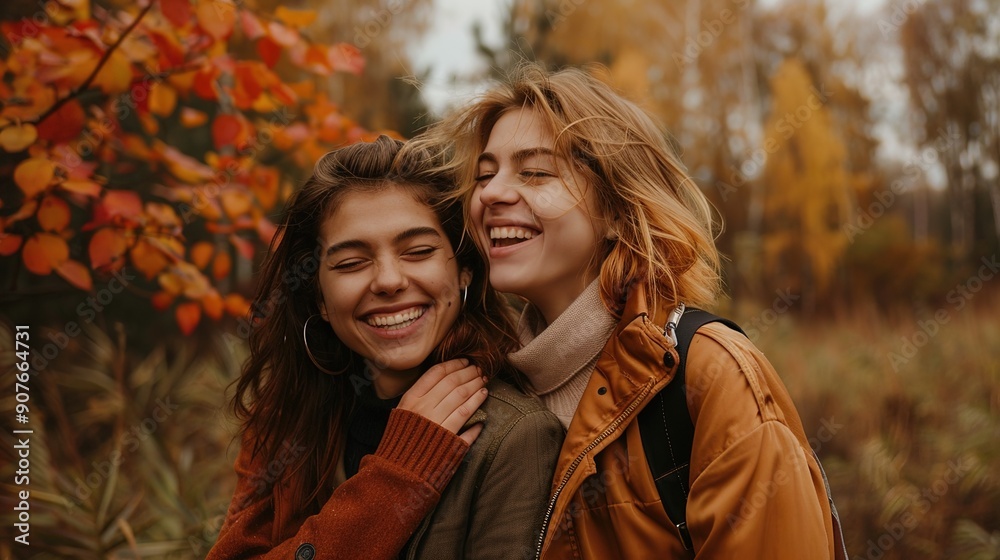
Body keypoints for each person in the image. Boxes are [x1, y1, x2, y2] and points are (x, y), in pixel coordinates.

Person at [410, 63, 842, 558]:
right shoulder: (476, 392)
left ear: (618, 210)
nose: (490, 193)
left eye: (535, 172)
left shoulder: (709, 377)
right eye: (485, 174)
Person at [207, 135, 563, 560]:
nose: (389, 281)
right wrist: (394, 481)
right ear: (319, 298)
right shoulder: (291, 418)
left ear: (464, 270)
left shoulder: (513, 437)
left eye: (418, 251)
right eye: (351, 263)